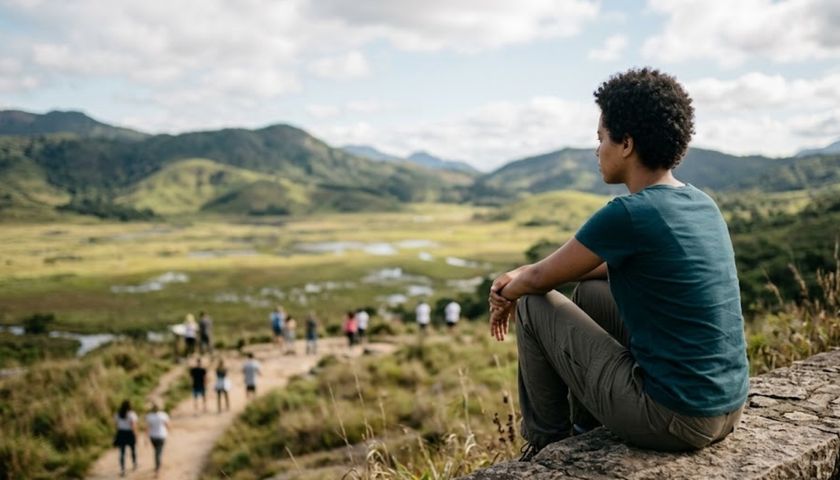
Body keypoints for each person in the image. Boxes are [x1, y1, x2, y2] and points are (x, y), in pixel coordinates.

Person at [488, 68, 748, 462]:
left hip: (673, 418)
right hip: (726, 408)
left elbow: (539, 279)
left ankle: (545, 448)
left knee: (532, 306)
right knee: (589, 293)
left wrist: (505, 290)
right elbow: (600, 268)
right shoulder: (700, 203)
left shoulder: (628, 213)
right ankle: (585, 428)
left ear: (626, 144)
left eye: (601, 138)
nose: (597, 150)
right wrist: (524, 279)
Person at [113, 399, 138, 477]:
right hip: (129, 433)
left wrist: (117, 434)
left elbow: (116, 425)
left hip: (121, 433)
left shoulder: (117, 414)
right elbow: (133, 425)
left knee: (122, 452)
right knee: (133, 449)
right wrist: (136, 435)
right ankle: (134, 464)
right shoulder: (131, 414)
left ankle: (122, 469)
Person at [145, 402, 170, 478]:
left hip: (153, 436)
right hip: (162, 435)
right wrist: (169, 432)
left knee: (156, 451)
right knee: (158, 452)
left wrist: (145, 438)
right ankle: (157, 469)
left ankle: (158, 465)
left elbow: (147, 428)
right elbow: (167, 425)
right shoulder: (163, 415)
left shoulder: (149, 416)